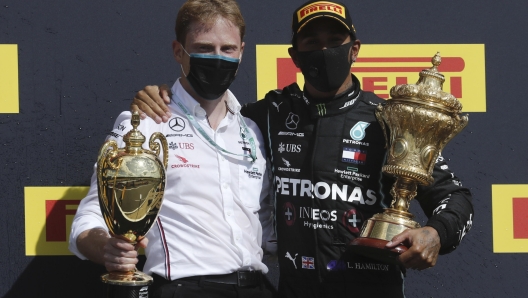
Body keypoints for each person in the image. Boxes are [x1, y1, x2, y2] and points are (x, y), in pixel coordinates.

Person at [131, 1, 474, 297]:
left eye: (334, 41)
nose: (324, 51)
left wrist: (435, 233)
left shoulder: (389, 121)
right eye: (312, 42)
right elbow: (207, 111)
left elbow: (456, 198)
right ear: (295, 56)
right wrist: (164, 97)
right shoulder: (265, 117)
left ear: (354, 49)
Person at [69, 1, 276, 297]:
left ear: (242, 51)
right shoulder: (144, 125)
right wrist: (106, 249)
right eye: (204, 48)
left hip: (258, 287)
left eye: (227, 49)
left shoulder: (254, 131)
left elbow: (267, 228)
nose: (217, 58)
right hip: (186, 287)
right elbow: (88, 220)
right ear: (179, 51)